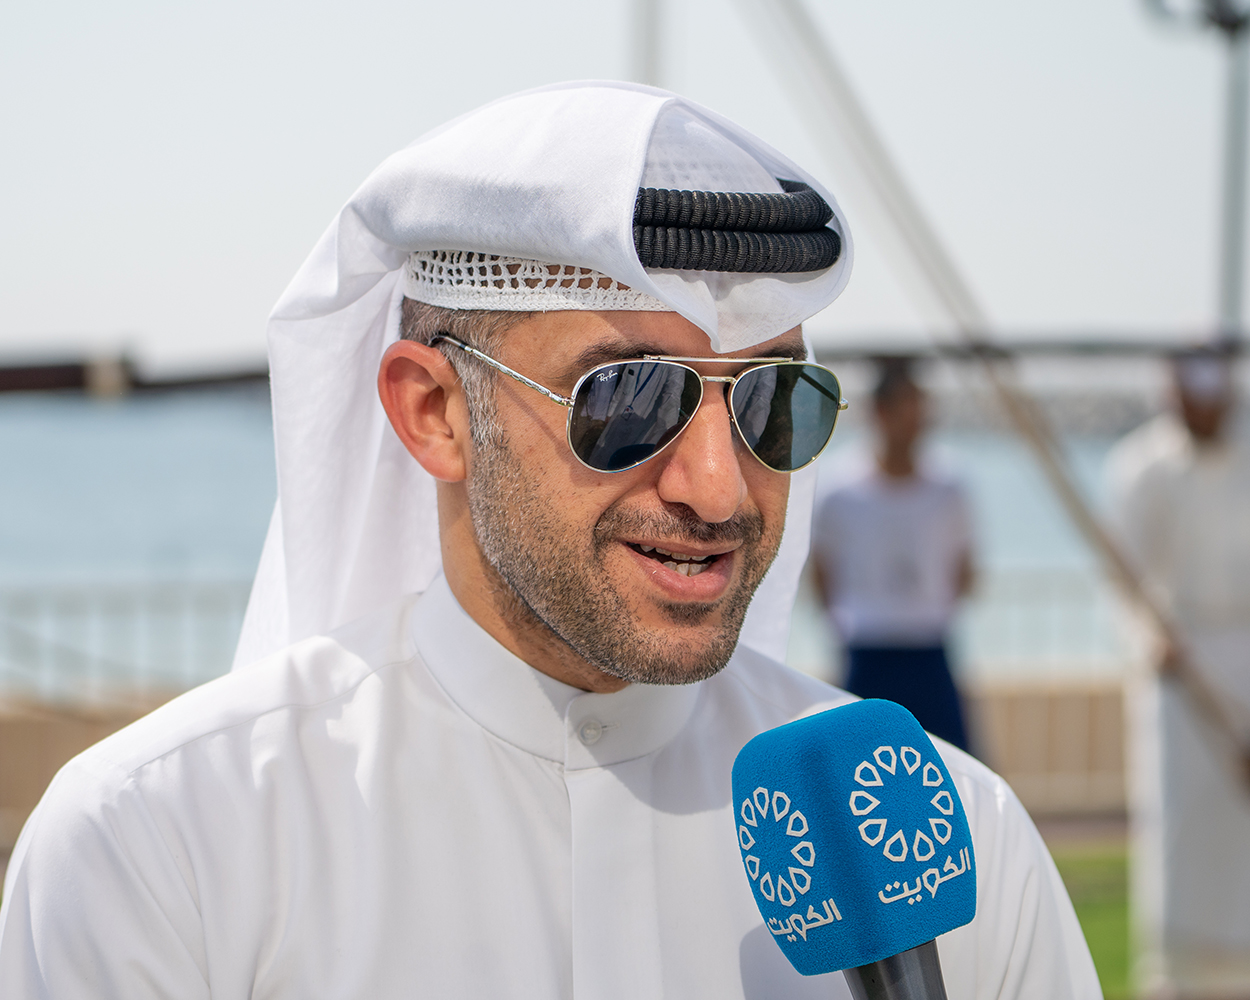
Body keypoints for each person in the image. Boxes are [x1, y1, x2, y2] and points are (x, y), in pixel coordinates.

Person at [0, 83, 1098, 998]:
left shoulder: (956, 848)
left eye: (772, 403)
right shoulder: (166, 849)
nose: (719, 488)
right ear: (434, 412)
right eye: (629, 399)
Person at [1107, 346, 1250, 999]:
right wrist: (1150, 640)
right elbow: (1124, 578)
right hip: (1180, 673)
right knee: (1179, 829)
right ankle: (1176, 976)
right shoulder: (1141, 466)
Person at [810, 357, 974, 750]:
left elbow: (965, 570)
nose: (916, 420)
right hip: (865, 649)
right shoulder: (838, 489)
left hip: (929, 647)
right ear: (879, 413)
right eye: (906, 408)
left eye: (921, 407)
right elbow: (821, 572)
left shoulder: (949, 487)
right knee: (856, 767)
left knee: (953, 768)